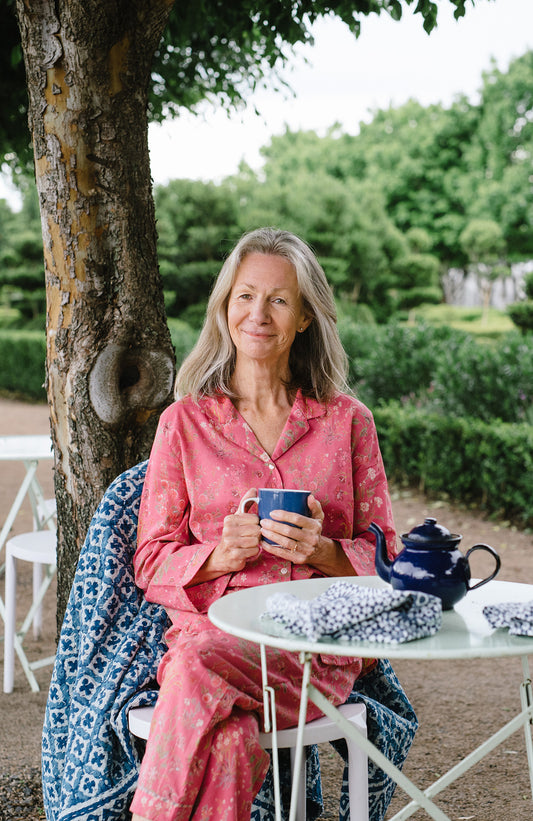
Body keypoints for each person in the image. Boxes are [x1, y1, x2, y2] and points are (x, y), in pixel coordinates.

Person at [130, 227, 398, 821]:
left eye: (279, 299)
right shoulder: (184, 423)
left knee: (197, 667)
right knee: (228, 745)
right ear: (225, 307)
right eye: (245, 295)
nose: (259, 313)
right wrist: (219, 556)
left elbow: (390, 560)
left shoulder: (347, 422)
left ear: (304, 317)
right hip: (210, 638)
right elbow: (150, 560)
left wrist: (326, 552)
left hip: (312, 648)